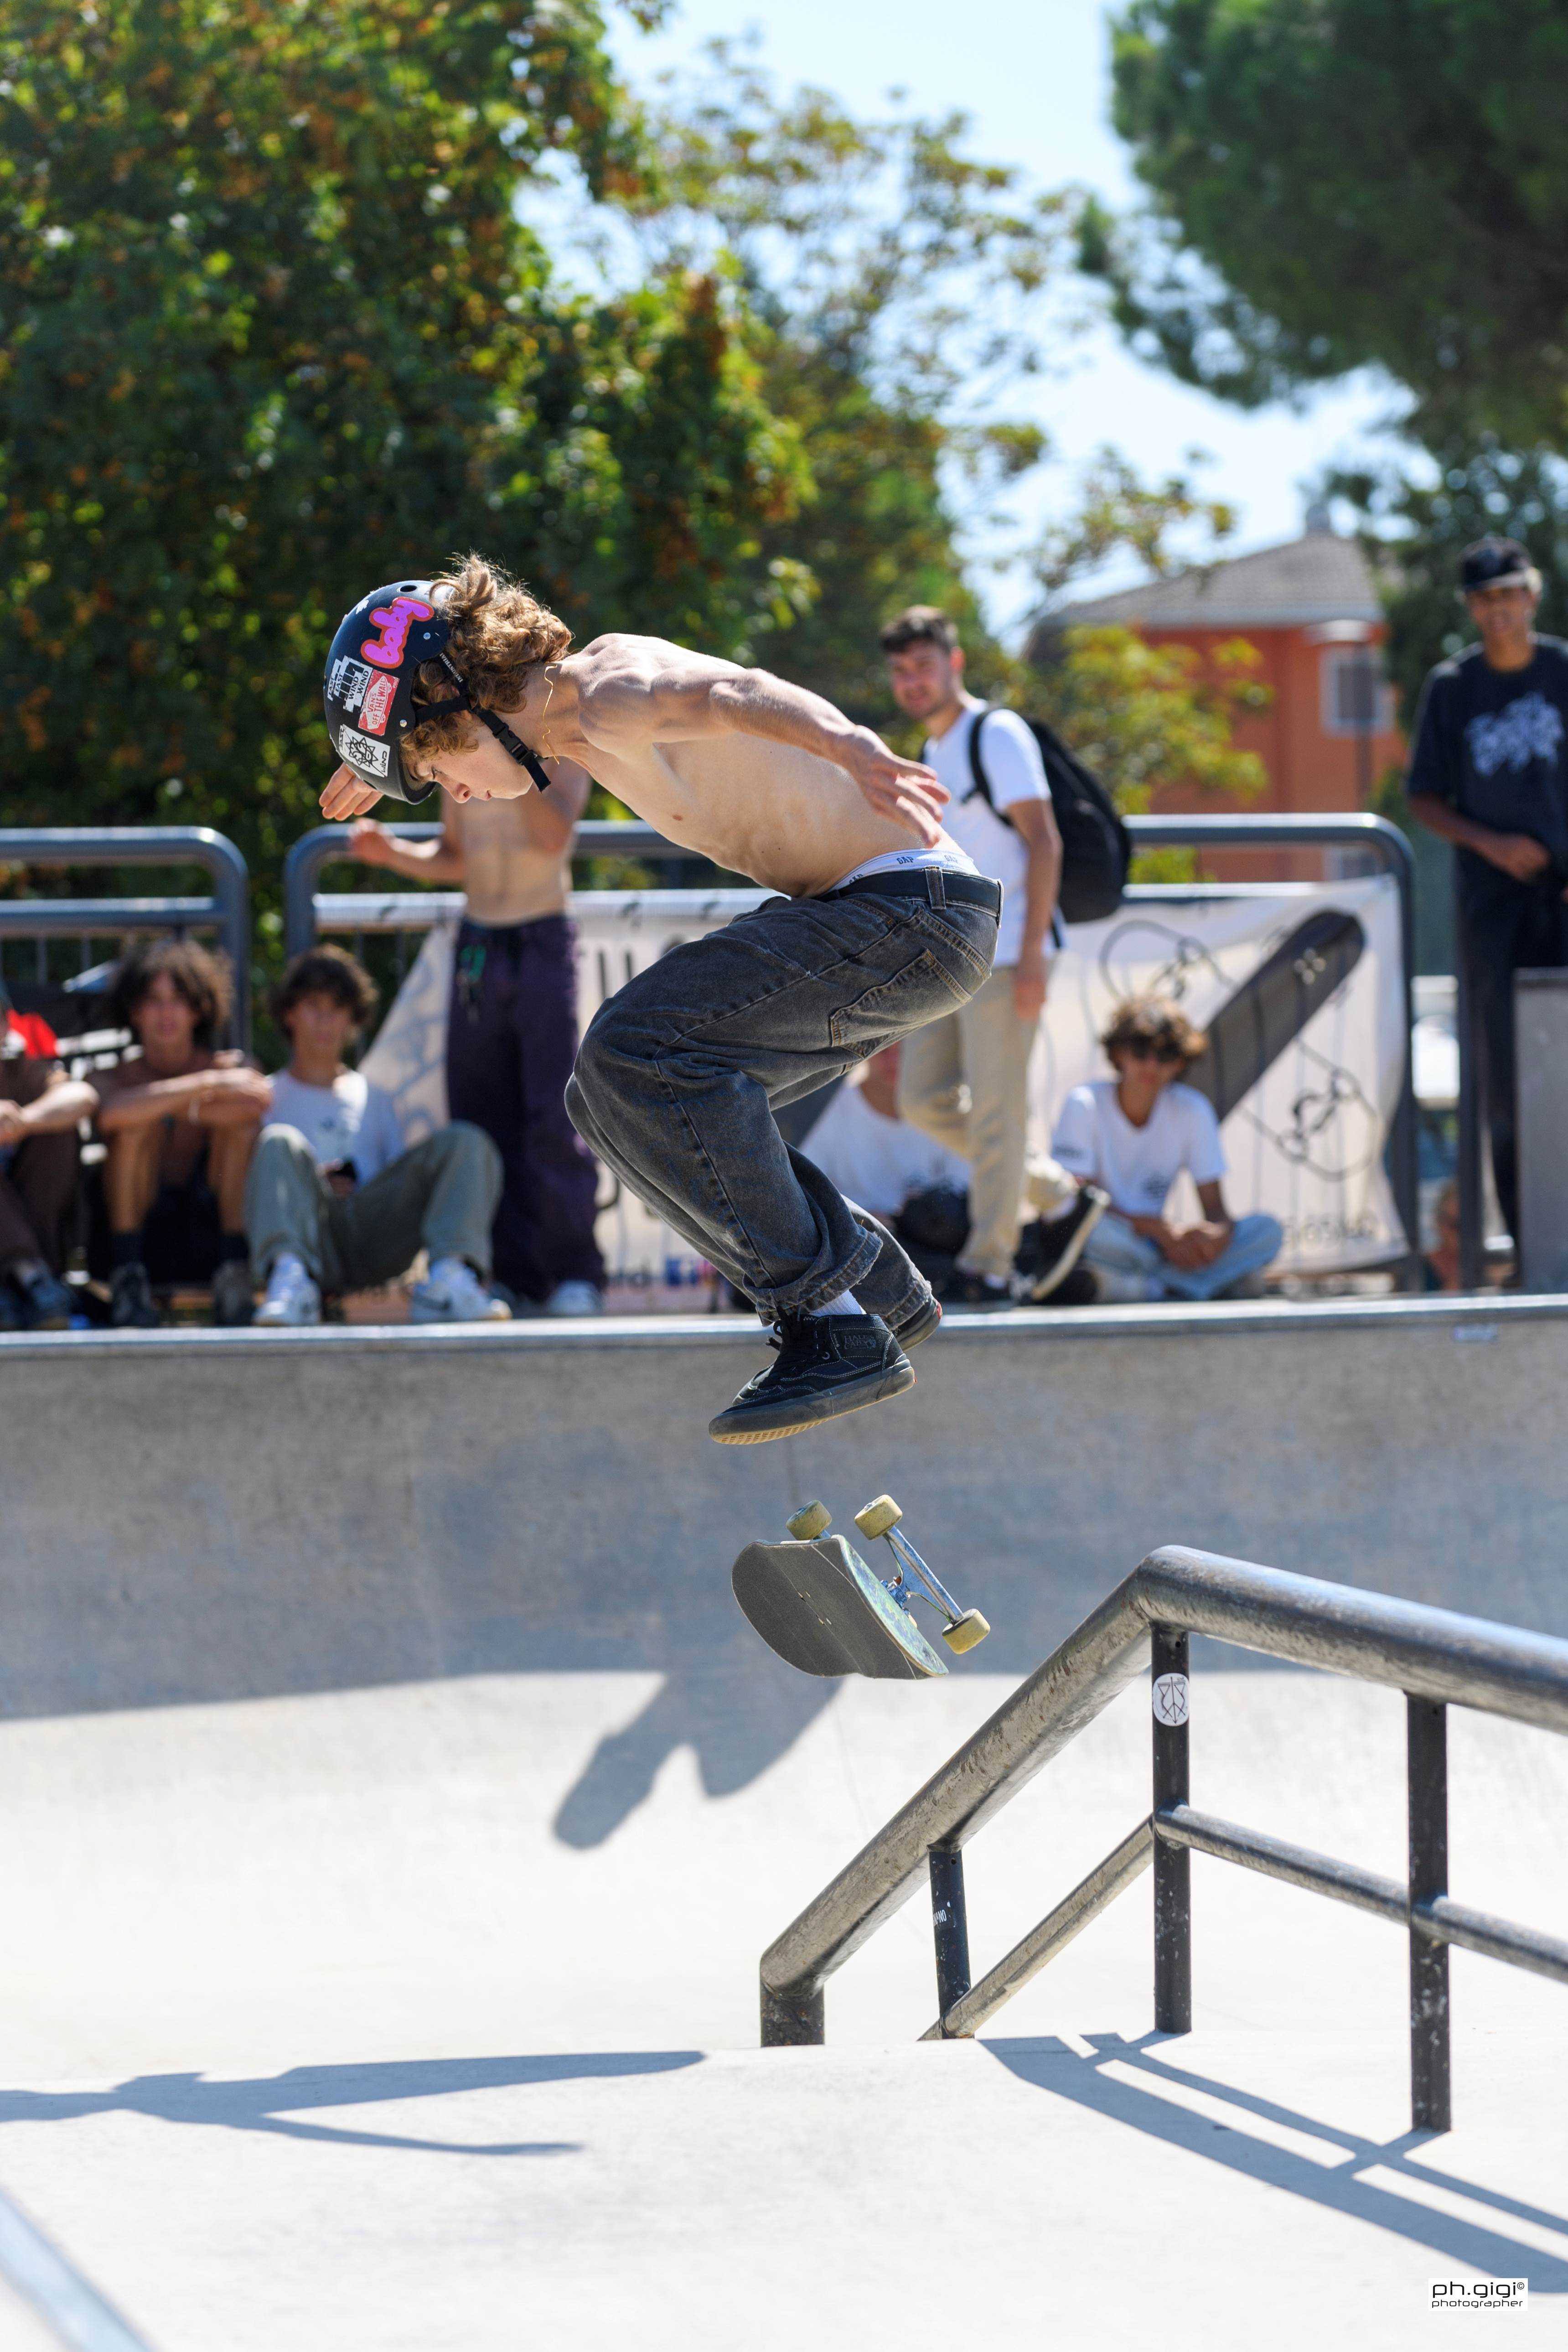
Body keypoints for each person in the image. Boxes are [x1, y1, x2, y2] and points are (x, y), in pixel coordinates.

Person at [318, 557, 999, 1442]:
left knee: (634, 1048)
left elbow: (735, 691)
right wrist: (393, 746)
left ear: (466, 698)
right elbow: (449, 699)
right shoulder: (549, 727)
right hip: (876, 917)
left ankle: (826, 1323)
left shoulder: (607, 689)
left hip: (909, 910)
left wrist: (845, 744)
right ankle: (863, 1275)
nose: (456, 794)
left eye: (442, 765)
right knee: (603, 1099)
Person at [881, 606, 1101, 1305]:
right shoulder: (930, 748)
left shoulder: (995, 732)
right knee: (919, 1100)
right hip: (951, 959)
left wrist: (1032, 954)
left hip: (1010, 956)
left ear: (955, 663)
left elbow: (1043, 841)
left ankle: (992, 1264)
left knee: (999, 1116)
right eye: (901, 670)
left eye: (924, 665)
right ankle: (1055, 1197)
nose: (913, 681)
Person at [345, 772, 605, 1316]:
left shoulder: (556, 741)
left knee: (556, 1117)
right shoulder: (462, 747)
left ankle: (574, 1272)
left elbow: (552, 836)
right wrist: (392, 853)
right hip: (478, 938)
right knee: (481, 1119)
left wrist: (512, 753)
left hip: (543, 934)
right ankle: (508, 1274)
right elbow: (455, 856)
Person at [1406, 534, 1568, 1245]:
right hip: (1493, 904)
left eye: (1507, 595)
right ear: (1471, 609)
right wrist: (1491, 842)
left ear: (1530, 596)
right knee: (1506, 1078)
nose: (1497, 610)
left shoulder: (1562, 669)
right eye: (1483, 599)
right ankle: (1530, 1238)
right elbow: (1423, 797)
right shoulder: (1451, 687)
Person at [247, 946, 512, 1327]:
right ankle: (289, 1282)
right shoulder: (265, 1097)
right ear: (289, 1013)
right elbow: (263, 1191)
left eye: (337, 1008)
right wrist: (313, 1186)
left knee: (466, 1141)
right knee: (278, 1143)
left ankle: (449, 1281)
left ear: (352, 1019)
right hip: (311, 1234)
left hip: (375, 1238)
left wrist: (358, 1190)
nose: (325, 1020)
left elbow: (397, 1189)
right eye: (313, 1005)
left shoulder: (375, 1097)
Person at [1051, 995, 1283, 1304]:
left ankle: (1145, 1289)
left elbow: (1216, 1211)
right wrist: (1157, 1231)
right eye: (1141, 1050)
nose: (1152, 1065)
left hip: (1158, 1249)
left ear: (1180, 1062)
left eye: (1166, 1054)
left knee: (1267, 1231)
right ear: (1118, 1052)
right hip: (1121, 1238)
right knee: (1090, 1233)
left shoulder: (1192, 1109)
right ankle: (1199, 1285)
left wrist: (1214, 1237)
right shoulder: (1084, 1104)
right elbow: (1074, 1204)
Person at [93, 940, 268, 1328]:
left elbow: (256, 1103)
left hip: (209, 1236)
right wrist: (203, 1085)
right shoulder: (114, 1076)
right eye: (153, 1000)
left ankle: (235, 1274)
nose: (166, 1013)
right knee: (134, 1127)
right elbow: (112, 1115)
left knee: (239, 1127)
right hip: (132, 1241)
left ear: (199, 1008)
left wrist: (166, 1100)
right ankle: (128, 1281)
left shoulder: (230, 1066)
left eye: (178, 999)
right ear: (134, 1011)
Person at [0, 993, 95, 1328]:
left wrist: (24, 1121)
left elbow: (82, 1097)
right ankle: (30, 1276)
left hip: (38, 1242)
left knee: (59, 1132)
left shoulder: (16, 1061)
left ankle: (31, 1281)